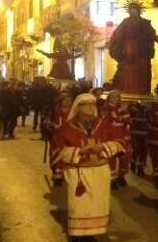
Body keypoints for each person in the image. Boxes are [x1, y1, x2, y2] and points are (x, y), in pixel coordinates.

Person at [50, 93, 126, 241]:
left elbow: (121, 142)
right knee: (79, 206)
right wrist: (79, 151)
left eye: (93, 104)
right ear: (78, 108)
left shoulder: (104, 125)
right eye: (87, 104)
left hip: (100, 173)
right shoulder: (67, 128)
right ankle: (78, 236)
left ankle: (92, 234)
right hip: (78, 173)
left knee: (97, 205)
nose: (91, 108)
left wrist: (103, 147)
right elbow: (56, 152)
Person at [108, 0, 158, 95]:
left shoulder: (145, 23)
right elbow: (117, 34)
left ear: (139, 10)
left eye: (135, 9)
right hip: (128, 51)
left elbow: (152, 34)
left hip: (142, 51)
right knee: (127, 72)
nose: (133, 11)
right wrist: (112, 42)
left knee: (143, 72)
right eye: (131, 9)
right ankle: (127, 90)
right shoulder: (125, 22)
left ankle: (142, 91)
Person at [99, 91, 131, 189]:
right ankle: (112, 179)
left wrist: (117, 117)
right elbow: (105, 120)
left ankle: (122, 177)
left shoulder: (122, 108)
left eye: (117, 97)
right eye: (113, 96)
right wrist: (118, 114)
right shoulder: (104, 108)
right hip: (110, 136)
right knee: (112, 157)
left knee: (124, 157)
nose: (115, 98)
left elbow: (127, 120)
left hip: (122, 135)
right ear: (109, 97)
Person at [47, 92, 73, 185]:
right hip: (57, 136)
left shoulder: (73, 112)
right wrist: (52, 125)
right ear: (61, 101)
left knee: (67, 155)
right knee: (56, 154)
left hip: (69, 137)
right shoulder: (55, 110)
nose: (67, 103)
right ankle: (57, 175)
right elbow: (47, 121)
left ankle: (66, 174)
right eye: (65, 101)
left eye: (69, 101)